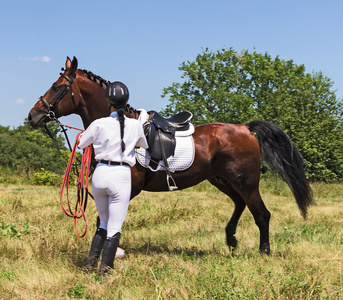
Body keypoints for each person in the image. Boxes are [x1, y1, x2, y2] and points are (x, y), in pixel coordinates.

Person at [78, 81, 148, 275]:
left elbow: (82, 144)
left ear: (107, 101)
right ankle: (105, 271)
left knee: (103, 222)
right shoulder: (135, 125)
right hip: (121, 176)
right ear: (126, 102)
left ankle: (90, 265)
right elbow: (142, 145)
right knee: (114, 226)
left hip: (100, 174)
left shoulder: (98, 123)